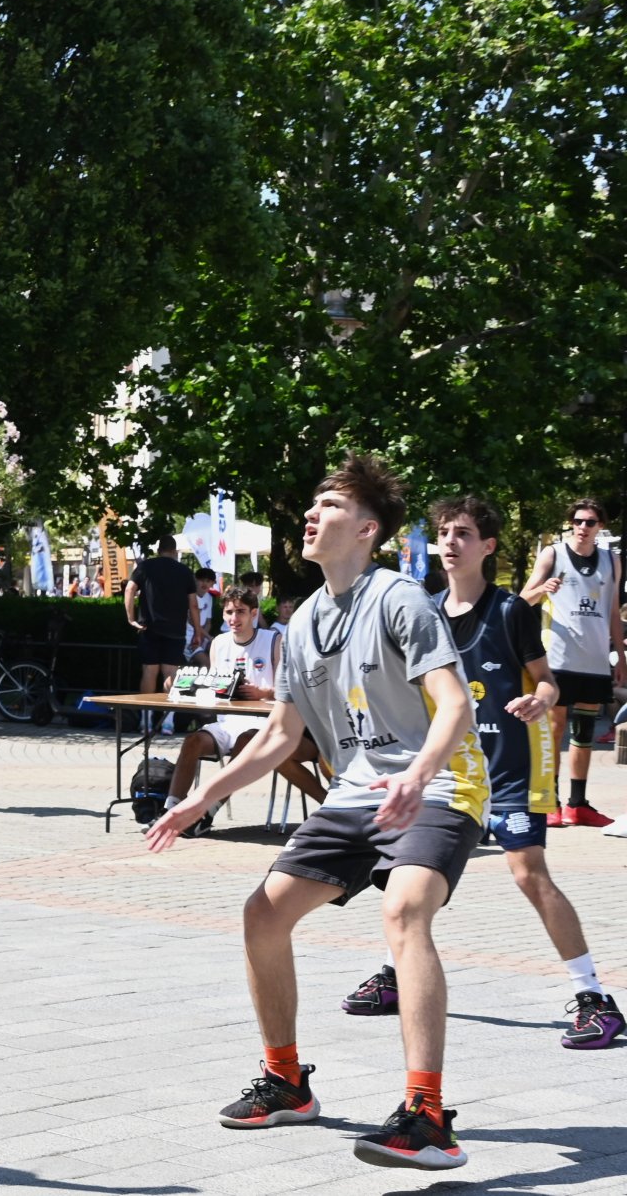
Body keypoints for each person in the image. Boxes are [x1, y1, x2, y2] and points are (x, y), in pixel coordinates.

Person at [148, 454, 486, 1171]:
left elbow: (454, 705)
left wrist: (420, 775)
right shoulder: (301, 624)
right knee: (262, 914)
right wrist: (197, 802)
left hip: (440, 783)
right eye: (314, 502)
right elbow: (278, 735)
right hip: (357, 792)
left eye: (329, 505)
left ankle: (427, 1114)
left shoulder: (400, 599)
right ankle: (286, 1079)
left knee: (403, 911)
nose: (311, 513)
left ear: (367, 529)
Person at [338, 498, 620, 1048]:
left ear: (487, 546)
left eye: (463, 533)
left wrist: (540, 700)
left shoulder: (512, 610)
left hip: (509, 769)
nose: (450, 542)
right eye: (443, 532)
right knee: (413, 875)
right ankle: (397, 975)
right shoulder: (423, 612)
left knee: (528, 876)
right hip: (447, 773)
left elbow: (545, 680)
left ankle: (596, 998)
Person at [165, 583, 326, 834]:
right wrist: (186, 686)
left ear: (254, 613)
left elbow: (292, 687)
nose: (233, 618)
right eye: (229, 612)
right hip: (229, 721)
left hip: (268, 724)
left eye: (240, 612)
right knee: (192, 741)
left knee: (246, 741)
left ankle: (205, 813)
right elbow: (217, 688)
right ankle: (171, 811)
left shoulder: (273, 639)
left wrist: (266, 693)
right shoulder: (218, 642)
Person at [519, 499, 622, 828]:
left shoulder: (612, 560)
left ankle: (578, 805)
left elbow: (613, 611)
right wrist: (542, 588)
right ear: (570, 523)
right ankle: (550, 801)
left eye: (590, 522)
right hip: (557, 657)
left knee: (585, 732)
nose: (582, 527)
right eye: (577, 521)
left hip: (593, 659)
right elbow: (521, 600)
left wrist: (620, 654)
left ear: (599, 526)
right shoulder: (553, 554)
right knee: (555, 728)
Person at [125, 536, 203, 699]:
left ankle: (146, 717)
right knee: (170, 671)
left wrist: (131, 618)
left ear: (159, 551)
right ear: (175, 552)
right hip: (176, 629)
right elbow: (193, 605)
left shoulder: (145, 567)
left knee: (149, 670)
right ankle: (168, 719)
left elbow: (129, 589)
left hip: (149, 627)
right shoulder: (185, 571)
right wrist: (197, 631)